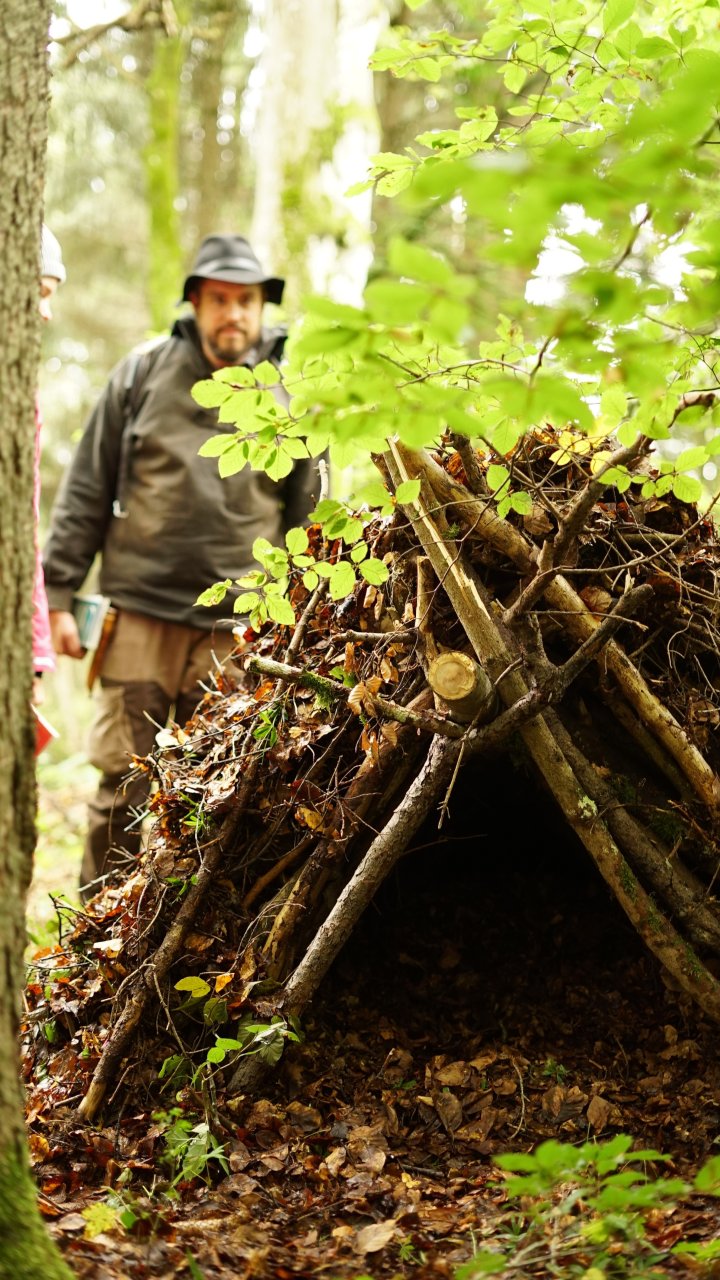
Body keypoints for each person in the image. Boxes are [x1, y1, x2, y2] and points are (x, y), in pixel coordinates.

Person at [43, 233, 320, 891]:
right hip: (140, 620)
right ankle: (94, 944)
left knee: (224, 794)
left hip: (239, 629)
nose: (234, 314)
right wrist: (56, 595)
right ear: (195, 302)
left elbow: (306, 516)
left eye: (246, 301)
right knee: (122, 789)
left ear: (261, 307)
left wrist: (300, 615)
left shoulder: (291, 393)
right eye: (220, 299)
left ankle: (192, 936)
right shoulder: (141, 375)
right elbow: (88, 485)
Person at [32, 225, 66, 699]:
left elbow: (22, 530)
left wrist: (34, 655)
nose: (46, 313)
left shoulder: (24, 396)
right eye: (39, 291)